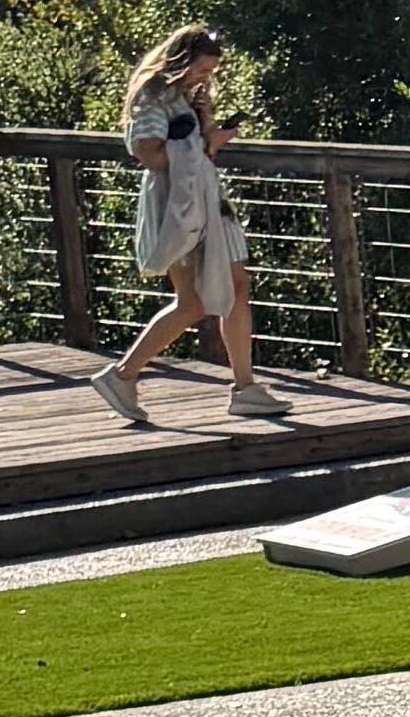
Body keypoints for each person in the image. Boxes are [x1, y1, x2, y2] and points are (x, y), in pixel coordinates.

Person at [96, 27, 283, 426]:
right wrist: (206, 144)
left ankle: (245, 387)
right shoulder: (153, 95)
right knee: (193, 302)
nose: (205, 77)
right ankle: (123, 375)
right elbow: (149, 154)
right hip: (177, 206)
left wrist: (207, 134)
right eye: (201, 69)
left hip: (206, 201)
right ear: (180, 61)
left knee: (236, 286)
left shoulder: (187, 96)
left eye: (210, 71)